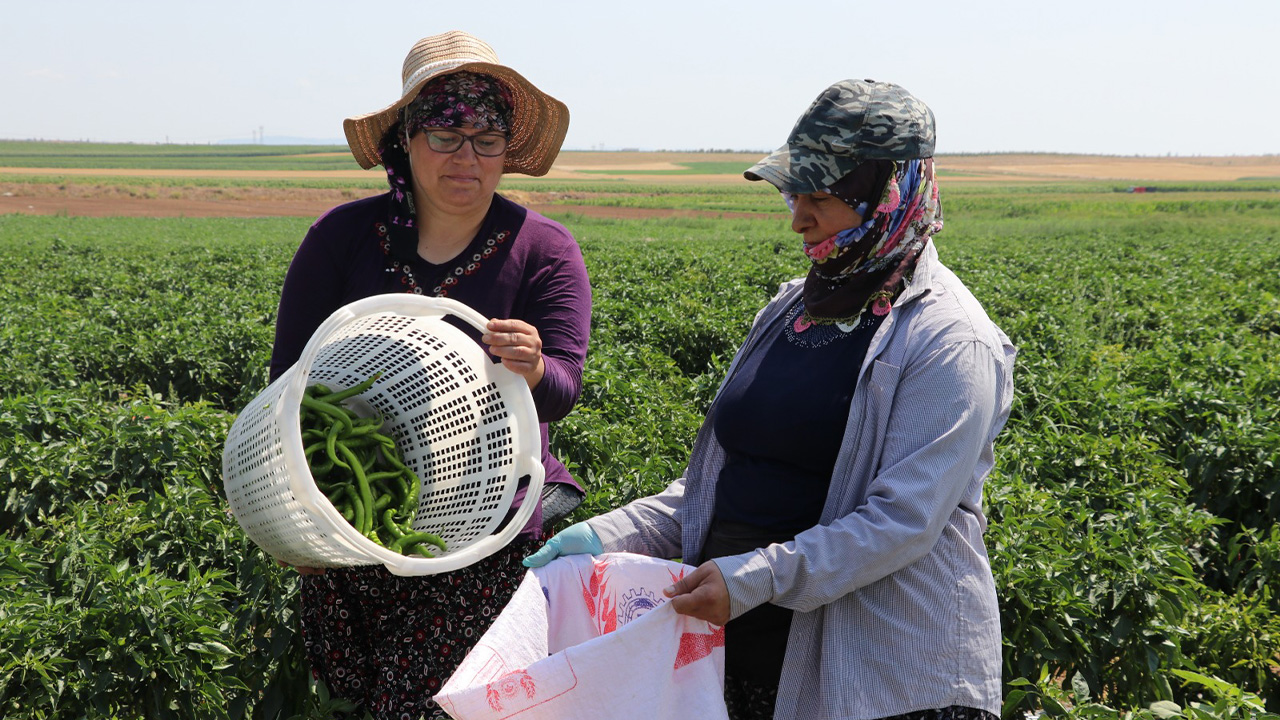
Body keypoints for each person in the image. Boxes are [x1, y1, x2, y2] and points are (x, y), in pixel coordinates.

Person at [525, 79, 1016, 720]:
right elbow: (724, 482)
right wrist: (610, 532)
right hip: (744, 646)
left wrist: (753, 579)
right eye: (793, 194)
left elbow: (902, 522)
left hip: (879, 675)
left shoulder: (950, 340)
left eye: (820, 198)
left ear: (889, 197)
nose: (798, 218)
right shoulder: (792, 309)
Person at [268, 31, 591, 720]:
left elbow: (562, 390)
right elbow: (288, 383)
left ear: (509, 149)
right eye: (445, 134)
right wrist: (296, 514)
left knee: (427, 704)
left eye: (487, 137)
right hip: (349, 518)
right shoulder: (342, 237)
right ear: (405, 143)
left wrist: (535, 366)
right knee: (359, 695)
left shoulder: (544, 250)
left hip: (483, 522)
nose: (466, 157)